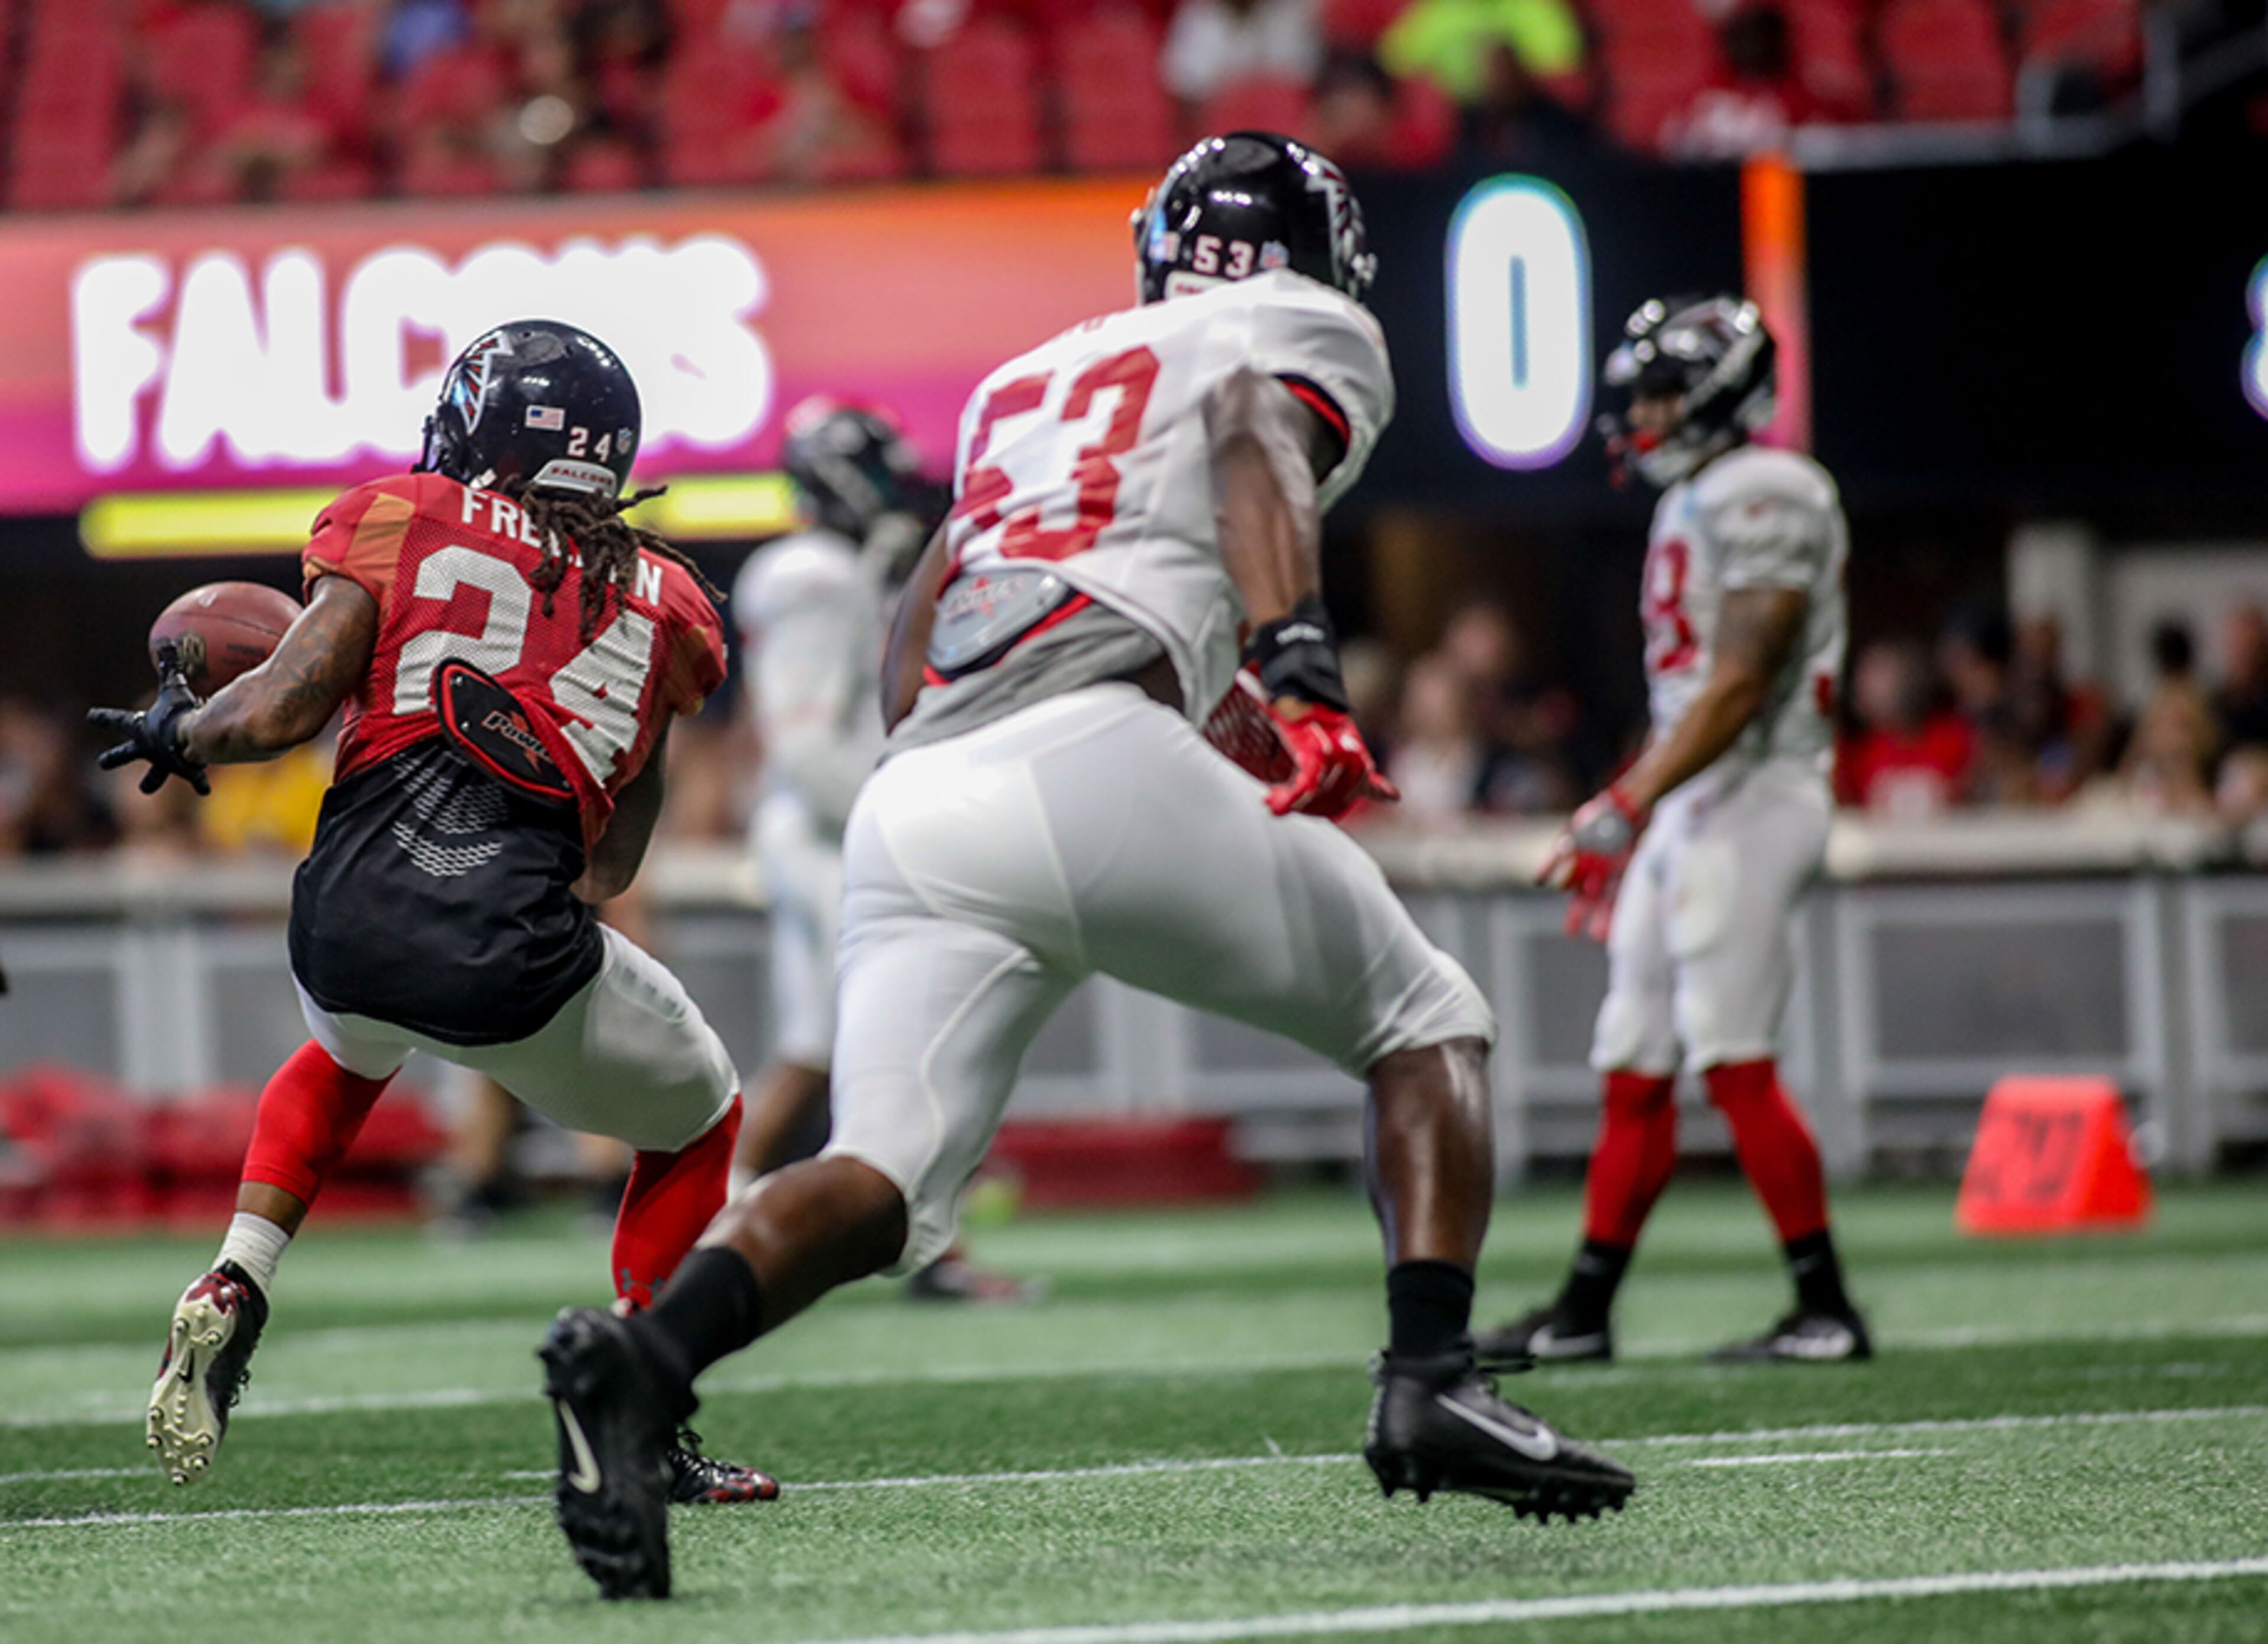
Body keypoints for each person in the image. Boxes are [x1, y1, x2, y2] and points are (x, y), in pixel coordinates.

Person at [536, 132, 1635, 1601]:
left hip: (920, 789)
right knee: (1425, 1020)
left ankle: (648, 1358)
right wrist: (1301, 671)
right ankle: (1431, 1377)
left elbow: (917, 628)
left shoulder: (1025, 382)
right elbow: (1249, 428)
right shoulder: (1300, 334)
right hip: (1090, 747)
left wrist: (1198, 716)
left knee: (880, 1176)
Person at [92, 319, 775, 1507]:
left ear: (474, 425)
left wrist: (176, 731)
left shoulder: (402, 511)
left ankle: (239, 1273)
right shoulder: (671, 604)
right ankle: (639, 1405)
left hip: (344, 916)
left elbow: (275, 713)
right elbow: (612, 865)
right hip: (507, 942)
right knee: (703, 1117)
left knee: (353, 1043)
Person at [1477, 295, 1869, 1366]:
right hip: (1699, 798)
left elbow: (1741, 683)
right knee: (1636, 1057)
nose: (1642, 417)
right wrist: (1641, 806)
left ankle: (1825, 1305)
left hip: (1757, 791)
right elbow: (1692, 691)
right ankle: (1584, 1312)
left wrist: (1627, 803)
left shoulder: (1768, 490)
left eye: (1661, 396)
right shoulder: (1701, 495)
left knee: (1733, 1055)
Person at [731, 396, 1031, 1302]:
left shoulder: (834, 570)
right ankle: (915, 1246)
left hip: (825, 825)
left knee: (827, 1044)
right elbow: (807, 738)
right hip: (833, 828)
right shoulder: (812, 574)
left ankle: (730, 1215)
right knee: (884, 1041)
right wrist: (890, 819)